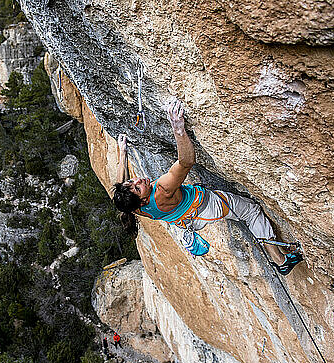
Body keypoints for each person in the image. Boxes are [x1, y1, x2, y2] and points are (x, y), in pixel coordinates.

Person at [111, 99, 303, 275]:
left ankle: (280, 256)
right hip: (208, 206)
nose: (137, 181)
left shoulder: (134, 209)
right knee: (251, 212)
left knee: (247, 213)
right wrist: (178, 129)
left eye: (132, 182)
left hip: (188, 220)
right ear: (142, 200)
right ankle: (281, 260)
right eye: (137, 188)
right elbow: (186, 162)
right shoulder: (162, 189)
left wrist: (123, 154)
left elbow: (121, 187)